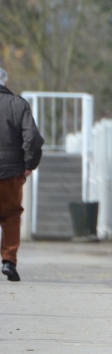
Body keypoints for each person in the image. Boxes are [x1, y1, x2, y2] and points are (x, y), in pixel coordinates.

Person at [0, 67, 44, 282]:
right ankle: (8, 260)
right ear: (5, 82)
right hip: (11, 171)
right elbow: (32, 139)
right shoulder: (19, 105)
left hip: (11, 169)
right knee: (11, 215)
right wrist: (29, 164)